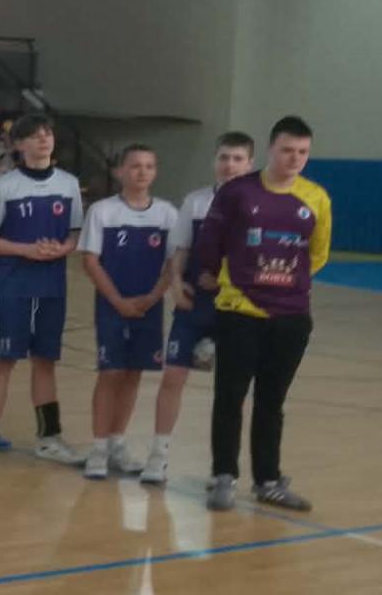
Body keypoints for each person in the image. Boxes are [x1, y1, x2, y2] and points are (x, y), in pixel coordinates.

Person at [197, 116, 328, 513]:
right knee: (230, 397)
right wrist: (230, 277)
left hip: (291, 316)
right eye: (287, 150)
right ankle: (224, 476)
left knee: (272, 401)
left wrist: (285, 284)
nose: (295, 158)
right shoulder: (237, 192)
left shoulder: (316, 198)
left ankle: (268, 480)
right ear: (271, 149)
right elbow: (210, 243)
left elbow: (317, 253)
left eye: (302, 152)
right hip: (239, 311)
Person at [0, 114, 86, 468]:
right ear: (19, 145)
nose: (43, 140)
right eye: (35, 136)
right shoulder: (4, 186)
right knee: (3, 361)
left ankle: (49, 438)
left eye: (47, 133)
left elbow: (75, 232)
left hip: (52, 287)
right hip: (13, 287)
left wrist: (63, 248)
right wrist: (25, 250)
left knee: (45, 362)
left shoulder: (69, 184)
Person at [147, 133, 257, 483]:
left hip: (236, 308)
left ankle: (221, 468)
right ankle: (158, 456)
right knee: (173, 377)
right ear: (214, 160)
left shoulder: (259, 205)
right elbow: (180, 248)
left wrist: (225, 280)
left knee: (230, 391)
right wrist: (177, 284)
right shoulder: (195, 202)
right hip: (195, 305)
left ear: (250, 164)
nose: (229, 165)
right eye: (224, 157)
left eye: (237, 159)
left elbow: (259, 260)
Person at [79, 145, 177, 481]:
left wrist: (153, 297)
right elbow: (90, 261)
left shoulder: (166, 214)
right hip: (112, 306)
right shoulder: (102, 212)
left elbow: (173, 263)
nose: (142, 172)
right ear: (119, 171)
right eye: (135, 166)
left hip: (149, 308)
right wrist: (118, 300)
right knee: (111, 373)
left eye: (149, 166)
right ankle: (98, 447)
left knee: (134, 373)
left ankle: (118, 443)